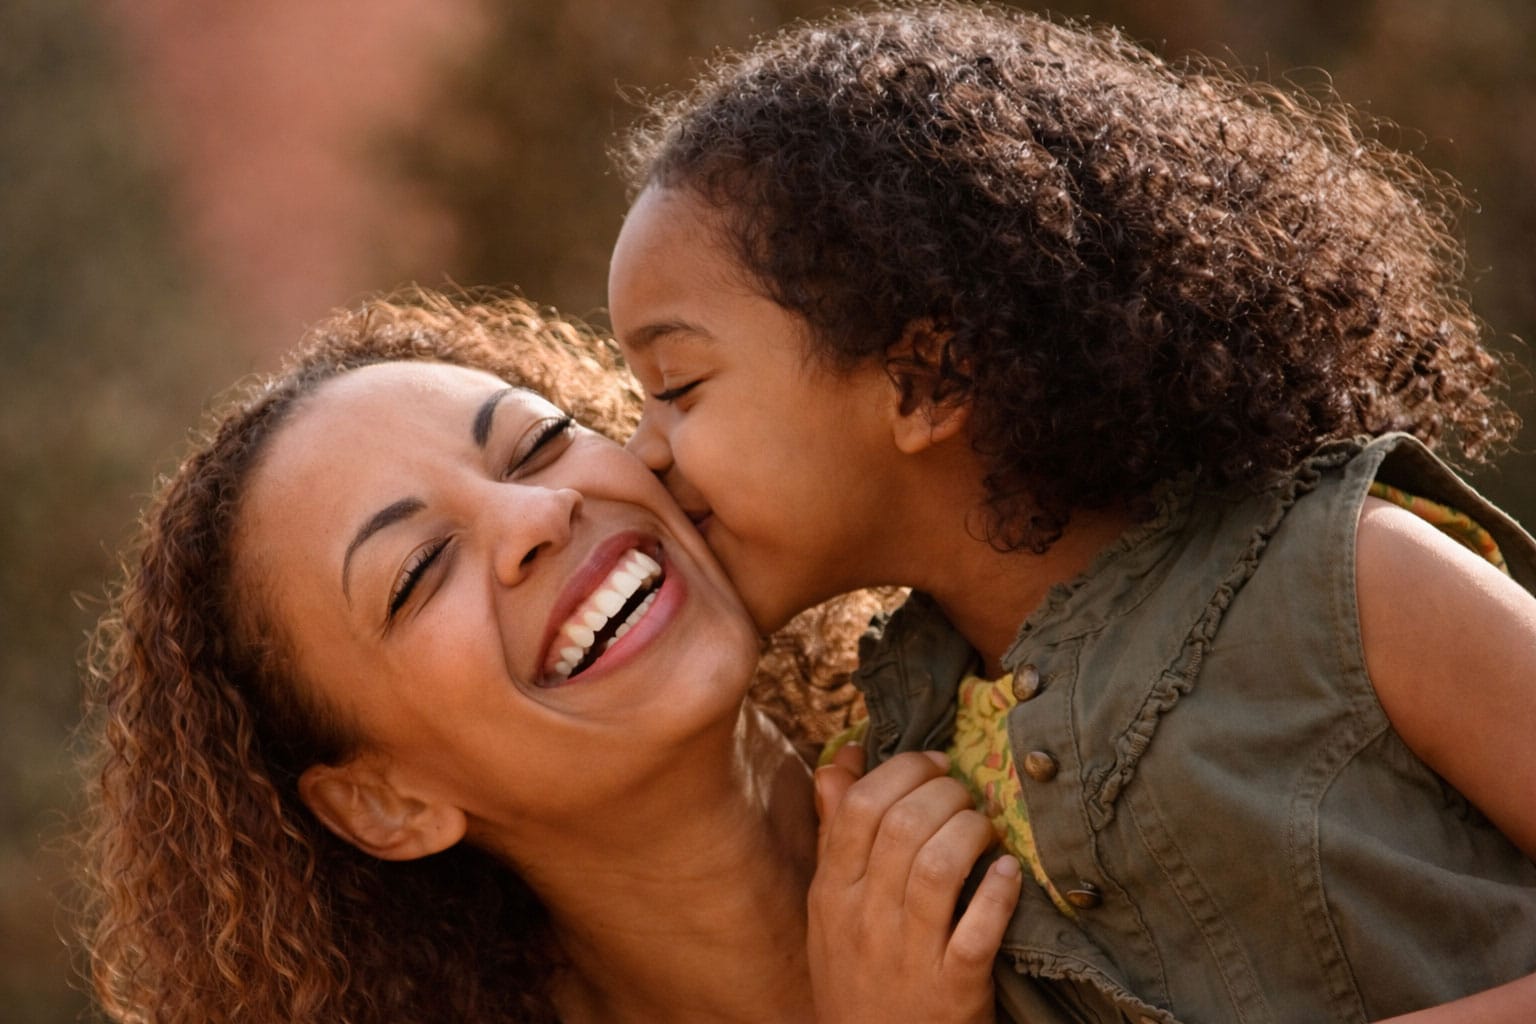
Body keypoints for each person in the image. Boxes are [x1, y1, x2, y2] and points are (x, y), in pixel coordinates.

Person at [607, 3, 1536, 1022]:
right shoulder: (889, 787)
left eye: (678, 383)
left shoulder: (1354, 580)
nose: (640, 449)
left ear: (926, 380)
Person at [74, 290, 1024, 1024]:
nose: (538, 515)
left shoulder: (1040, 712)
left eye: (536, 447)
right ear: (384, 802)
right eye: (418, 572)